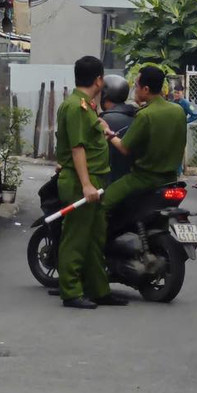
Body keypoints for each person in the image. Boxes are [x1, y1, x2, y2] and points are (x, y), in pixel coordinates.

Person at [54, 55, 116, 309]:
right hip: (83, 181)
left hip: (94, 179)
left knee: (93, 239)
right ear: (99, 80)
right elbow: (78, 148)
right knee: (76, 238)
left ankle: (98, 290)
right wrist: (87, 185)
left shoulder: (86, 105)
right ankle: (70, 291)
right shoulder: (76, 106)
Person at [100, 65, 188, 211]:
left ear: (146, 89)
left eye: (136, 86)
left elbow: (125, 148)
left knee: (103, 203)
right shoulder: (178, 111)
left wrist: (107, 133)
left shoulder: (145, 114)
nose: (135, 89)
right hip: (171, 179)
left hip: (144, 178)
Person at [100, 74, 138, 183]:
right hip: (134, 178)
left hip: (108, 181)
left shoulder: (102, 121)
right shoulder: (137, 116)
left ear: (104, 95)